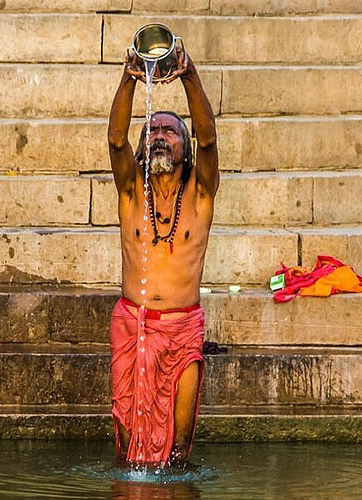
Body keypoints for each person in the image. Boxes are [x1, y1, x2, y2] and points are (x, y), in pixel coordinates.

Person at [107, 44, 219, 466]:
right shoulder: (132, 190)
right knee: (127, 444)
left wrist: (189, 74)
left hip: (183, 329)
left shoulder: (201, 194)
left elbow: (208, 139)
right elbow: (116, 139)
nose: (159, 135)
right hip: (131, 326)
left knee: (178, 446)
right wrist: (128, 79)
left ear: (184, 150)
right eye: (152, 130)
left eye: (170, 131)